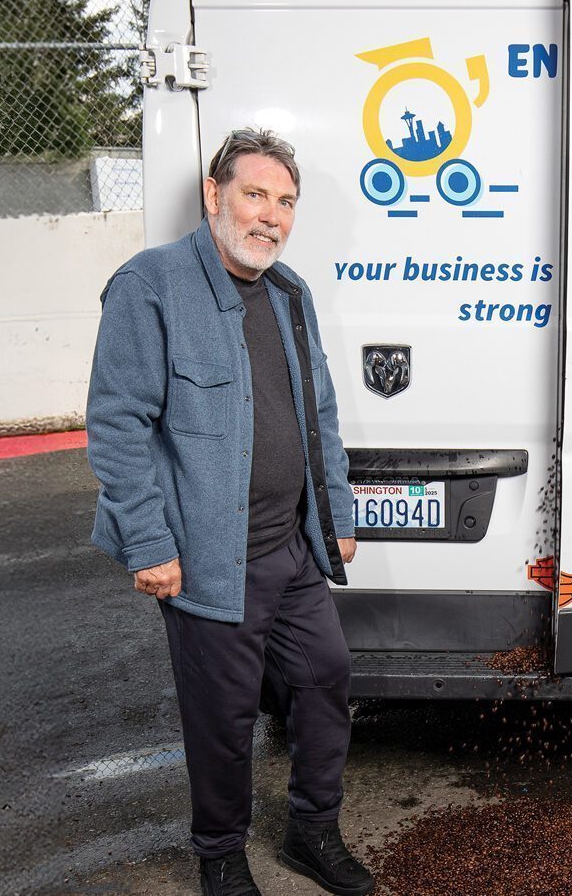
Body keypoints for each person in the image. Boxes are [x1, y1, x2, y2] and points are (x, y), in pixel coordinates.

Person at [86, 128, 373, 896]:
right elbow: (117, 425)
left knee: (326, 680)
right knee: (223, 717)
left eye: (285, 202)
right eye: (255, 194)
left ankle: (314, 829)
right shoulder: (149, 286)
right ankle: (219, 853)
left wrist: (336, 515)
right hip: (210, 557)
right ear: (215, 195)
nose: (271, 216)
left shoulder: (289, 293)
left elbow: (321, 414)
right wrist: (147, 542)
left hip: (293, 549)